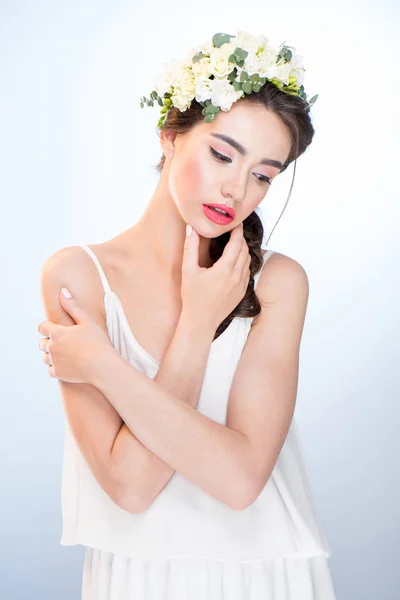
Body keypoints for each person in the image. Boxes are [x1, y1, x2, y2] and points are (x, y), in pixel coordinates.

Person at [37, 30, 337, 599]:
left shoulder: (277, 282)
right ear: (170, 135)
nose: (237, 187)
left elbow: (241, 479)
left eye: (264, 174)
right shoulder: (78, 278)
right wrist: (195, 326)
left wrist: (106, 364)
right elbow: (130, 487)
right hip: (138, 577)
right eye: (222, 154)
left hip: (266, 575)